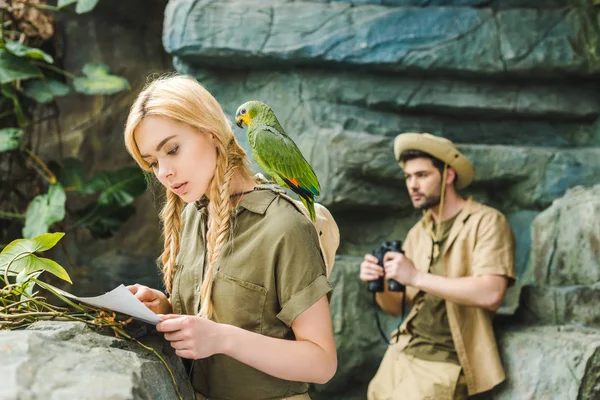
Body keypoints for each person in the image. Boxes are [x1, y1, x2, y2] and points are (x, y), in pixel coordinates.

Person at [123, 74, 337, 400]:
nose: (164, 171)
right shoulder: (194, 216)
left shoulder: (284, 227)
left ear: (210, 132)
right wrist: (165, 310)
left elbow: (322, 363)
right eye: (153, 162)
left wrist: (223, 339)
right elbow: (215, 316)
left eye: (173, 149)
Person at [360, 133, 516, 400]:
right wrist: (381, 282)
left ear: (449, 175)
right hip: (402, 351)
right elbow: (395, 306)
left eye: (422, 175)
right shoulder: (417, 233)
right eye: (408, 177)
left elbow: (491, 293)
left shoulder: (487, 221)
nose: (413, 185)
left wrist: (416, 276)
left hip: (446, 360)